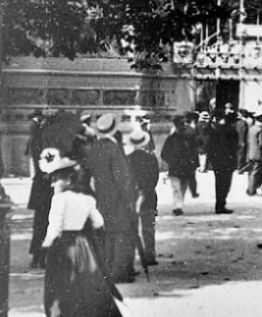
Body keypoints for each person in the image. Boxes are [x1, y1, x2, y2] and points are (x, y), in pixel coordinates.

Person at [39, 156, 134, 317]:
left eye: (56, 179)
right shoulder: (87, 199)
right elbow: (99, 222)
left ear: (68, 179)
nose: (53, 184)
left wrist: (45, 247)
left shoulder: (59, 199)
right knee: (88, 289)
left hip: (63, 247)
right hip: (83, 246)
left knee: (62, 291)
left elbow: (54, 227)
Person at [84, 113, 138, 284]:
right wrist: (130, 199)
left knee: (108, 233)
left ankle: (109, 269)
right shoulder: (113, 148)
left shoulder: (95, 147)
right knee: (122, 232)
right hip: (117, 197)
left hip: (101, 196)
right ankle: (120, 271)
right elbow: (122, 178)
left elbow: (89, 173)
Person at [125, 127, 159, 266]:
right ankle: (150, 255)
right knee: (148, 228)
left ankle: (129, 257)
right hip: (148, 196)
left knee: (131, 228)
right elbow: (154, 179)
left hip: (131, 197)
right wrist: (146, 191)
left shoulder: (127, 159)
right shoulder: (151, 158)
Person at [26, 109, 53, 269]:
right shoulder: (51, 145)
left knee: (39, 223)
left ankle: (37, 256)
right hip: (48, 188)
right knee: (48, 222)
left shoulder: (38, 140)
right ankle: (43, 256)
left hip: (39, 187)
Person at [160, 115, 200, 214]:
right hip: (175, 167)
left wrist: (193, 162)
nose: (182, 128)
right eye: (179, 125)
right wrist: (172, 161)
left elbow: (196, 149)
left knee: (183, 187)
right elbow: (164, 153)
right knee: (176, 188)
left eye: (182, 125)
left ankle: (179, 205)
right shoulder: (171, 139)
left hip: (186, 167)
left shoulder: (190, 138)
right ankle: (177, 206)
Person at [206, 112, 239, 213]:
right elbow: (234, 148)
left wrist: (212, 159)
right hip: (228, 162)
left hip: (218, 162)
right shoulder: (233, 132)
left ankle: (219, 205)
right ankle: (221, 205)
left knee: (219, 184)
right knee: (226, 184)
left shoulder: (217, 130)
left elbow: (210, 146)